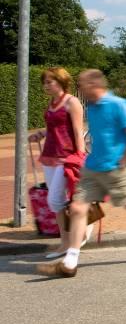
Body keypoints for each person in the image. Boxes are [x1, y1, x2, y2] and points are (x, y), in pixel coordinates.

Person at [37, 69, 126, 278]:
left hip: (117, 167)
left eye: (82, 85)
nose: (79, 88)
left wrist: (123, 161)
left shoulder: (119, 105)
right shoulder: (92, 108)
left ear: (94, 85)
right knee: (78, 208)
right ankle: (70, 262)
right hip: (93, 167)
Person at [29, 67, 93, 259]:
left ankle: (74, 235)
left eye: (50, 81)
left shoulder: (72, 102)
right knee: (58, 200)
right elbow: (54, 128)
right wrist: (40, 133)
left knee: (55, 200)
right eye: (45, 82)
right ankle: (67, 241)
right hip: (49, 155)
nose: (46, 85)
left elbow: (77, 130)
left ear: (61, 81)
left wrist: (80, 156)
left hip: (67, 157)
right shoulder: (51, 102)